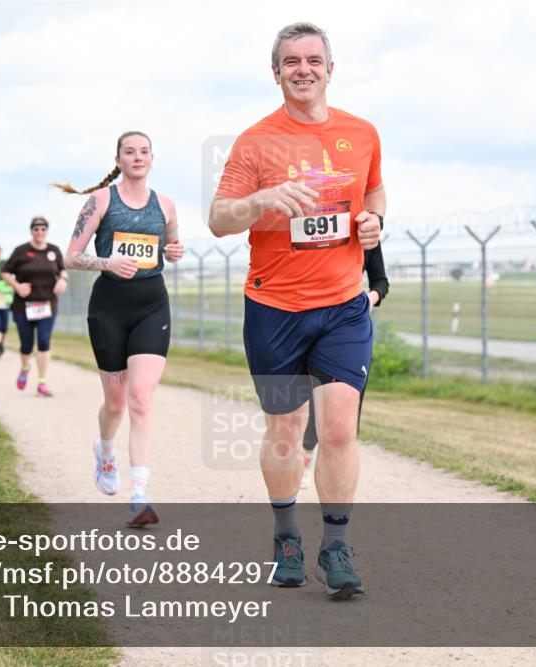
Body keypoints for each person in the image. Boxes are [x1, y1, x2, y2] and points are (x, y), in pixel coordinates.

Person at [209, 22, 383, 598]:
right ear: (276, 72)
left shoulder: (361, 134)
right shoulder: (256, 142)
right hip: (274, 307)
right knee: (286, 427)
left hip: (342, 306)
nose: (302, 69)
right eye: (291, 62)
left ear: (331, 69)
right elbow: (219, 218)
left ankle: (336, 546)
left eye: (313, 60)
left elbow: (374, 193)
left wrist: (374, 221)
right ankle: (287, 534)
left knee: (337, 426)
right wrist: (260, 200)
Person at [57, 130, 185, 528]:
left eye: (144, 151)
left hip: (151, 304)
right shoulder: (100, 201)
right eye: (130, 152)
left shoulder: (165, 205)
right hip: (109, 307)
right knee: (115, 405)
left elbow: (172, 247)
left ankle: (140, 496)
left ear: (152, 158)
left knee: (142, 399)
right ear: (119, 159)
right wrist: (108, 262)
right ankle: (105, 449)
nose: (138, 157)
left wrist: (174, 251)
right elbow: (71, 258)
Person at [301, 244, 389, 490]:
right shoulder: (318, 233)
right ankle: (306, 455)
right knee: (315, 405)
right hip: (309, 323)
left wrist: (368, 299)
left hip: (350, 327)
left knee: (347, 410)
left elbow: (381, 282)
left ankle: (338, 478)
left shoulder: (366, 232)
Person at [1, 218, 68, 396]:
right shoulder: (21, 251)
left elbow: (62, 269)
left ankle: (42, 382)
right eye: (36, 229)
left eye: (43, 229)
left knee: (44, 342)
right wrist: (17, 286)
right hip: (24, 306)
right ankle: (25, 367)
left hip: (47, 304)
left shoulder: (53, 250)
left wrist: (63, 280)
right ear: (31, 231)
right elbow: (5, 272)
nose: (40, 232)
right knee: (27, 345)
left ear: (47, 231)